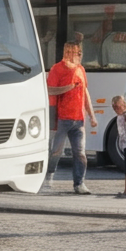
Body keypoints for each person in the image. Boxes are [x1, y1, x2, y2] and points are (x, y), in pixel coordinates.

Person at [42, 40, 97, 195]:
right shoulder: (56, 69)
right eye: (67, 52)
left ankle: (79, 184)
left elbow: (85, 93)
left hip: (78, 119)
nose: (70, 55)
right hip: (61, 118)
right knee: (56, 151)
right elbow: (50, 90)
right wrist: (69, 87)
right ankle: (48, 178)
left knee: (80, 153)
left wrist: (92, 116)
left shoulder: (81, 69)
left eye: (73, 52)